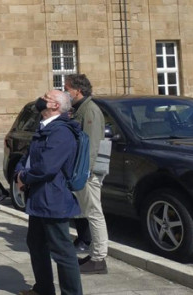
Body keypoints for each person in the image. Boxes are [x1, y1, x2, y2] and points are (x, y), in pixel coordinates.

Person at [15, 90, 83, 295]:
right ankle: (43, 289)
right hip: (39, 198)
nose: (41, 98)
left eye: (46, 96)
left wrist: (24, 178)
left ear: (55, 106)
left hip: (53, 198)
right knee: (35, 244)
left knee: (62, 251)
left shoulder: (61, 132)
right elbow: (28, 156)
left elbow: (47, 167)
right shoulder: (45, 127)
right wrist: (19, 172)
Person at [65, 74, 109, 275]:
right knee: (89, 212)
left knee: (94, 213)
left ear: (78, 90)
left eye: (68, 89)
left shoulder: (90, 110)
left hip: (88, 171)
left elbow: (91, 144)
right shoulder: (81, 109)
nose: (66, 93)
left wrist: (86, 171)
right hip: (85, 170)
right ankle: (95, 255)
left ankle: (99, 258)